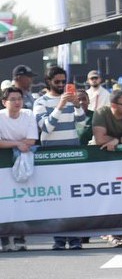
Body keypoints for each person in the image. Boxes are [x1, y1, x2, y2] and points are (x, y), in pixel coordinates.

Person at [35, 66, 90, 250]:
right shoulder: (40, 102)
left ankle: (74, 238)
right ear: (48, 81)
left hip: (71, 153)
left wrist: (77, 106)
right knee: (56, 199)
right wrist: (60, 106)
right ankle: (58, 238)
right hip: (51, 155)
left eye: (63, 81)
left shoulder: (71, 99)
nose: (60, 85)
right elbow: (46, 127)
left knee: (73, 198)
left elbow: (82, 124)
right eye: (57, 82)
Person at [0, 85, 38, 252]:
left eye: (19, 99)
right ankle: (4, 240)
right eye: (13, 99)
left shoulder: (28, 114)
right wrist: (17, 143)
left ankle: (20, 238)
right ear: (4, 102)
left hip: (24, 160)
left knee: (22, 199)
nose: (17, 102)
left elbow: (31, 140)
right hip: (3, 162)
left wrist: (12, 143)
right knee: (4, 201)